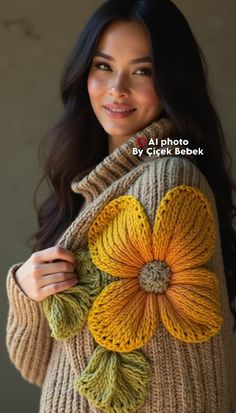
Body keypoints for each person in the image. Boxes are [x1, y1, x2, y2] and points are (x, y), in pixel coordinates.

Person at [6, 0, 236, 412]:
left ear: (172, 81)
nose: (117, 89)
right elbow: (42, 367)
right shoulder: (91, 185)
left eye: (143, 71)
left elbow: (176, 383)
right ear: (85, 73)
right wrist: (26, 289)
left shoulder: (169, 180)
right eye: (103, 66)